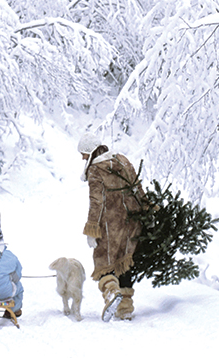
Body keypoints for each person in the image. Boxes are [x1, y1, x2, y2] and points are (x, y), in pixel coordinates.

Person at [79, 132, 146, 321]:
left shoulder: (96, 170)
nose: (83, 157)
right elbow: (137, 186)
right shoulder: (122, 160)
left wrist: (92, 228)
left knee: (103, 263)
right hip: (132, 221)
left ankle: (111, 293)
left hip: (110, 225)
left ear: (91, 151)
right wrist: (147, 209)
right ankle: (124, 309)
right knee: (124, 261)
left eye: (84, 153)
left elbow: (96, 201)